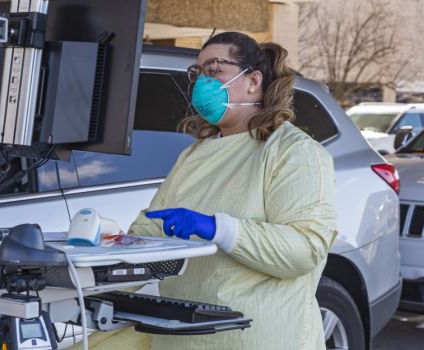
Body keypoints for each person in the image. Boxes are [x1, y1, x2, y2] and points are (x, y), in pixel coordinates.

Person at [124, 32, 336, 349]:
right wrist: (104, 247)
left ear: (252, 80)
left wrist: (218, 228)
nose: (199, 84)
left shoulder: (294, 152)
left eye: (213, 71)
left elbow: (304, 249)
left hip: (255, 337)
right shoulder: (195, 155)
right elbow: (149, 228)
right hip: (185, 334)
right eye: (196, 74)